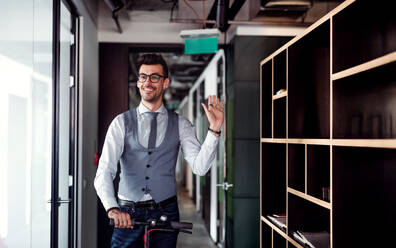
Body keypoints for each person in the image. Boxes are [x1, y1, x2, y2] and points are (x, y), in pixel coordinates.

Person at [94, 53, 225, 248]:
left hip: (166, 211)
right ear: (138, 82)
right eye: (143, 77)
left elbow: (200, 167)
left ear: (165, 83)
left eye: (154, 77)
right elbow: (105, 170)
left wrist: (214, 130)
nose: (148, 82)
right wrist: (112, 209)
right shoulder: (120, 123)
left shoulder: (181, 124)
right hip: (127, 213)